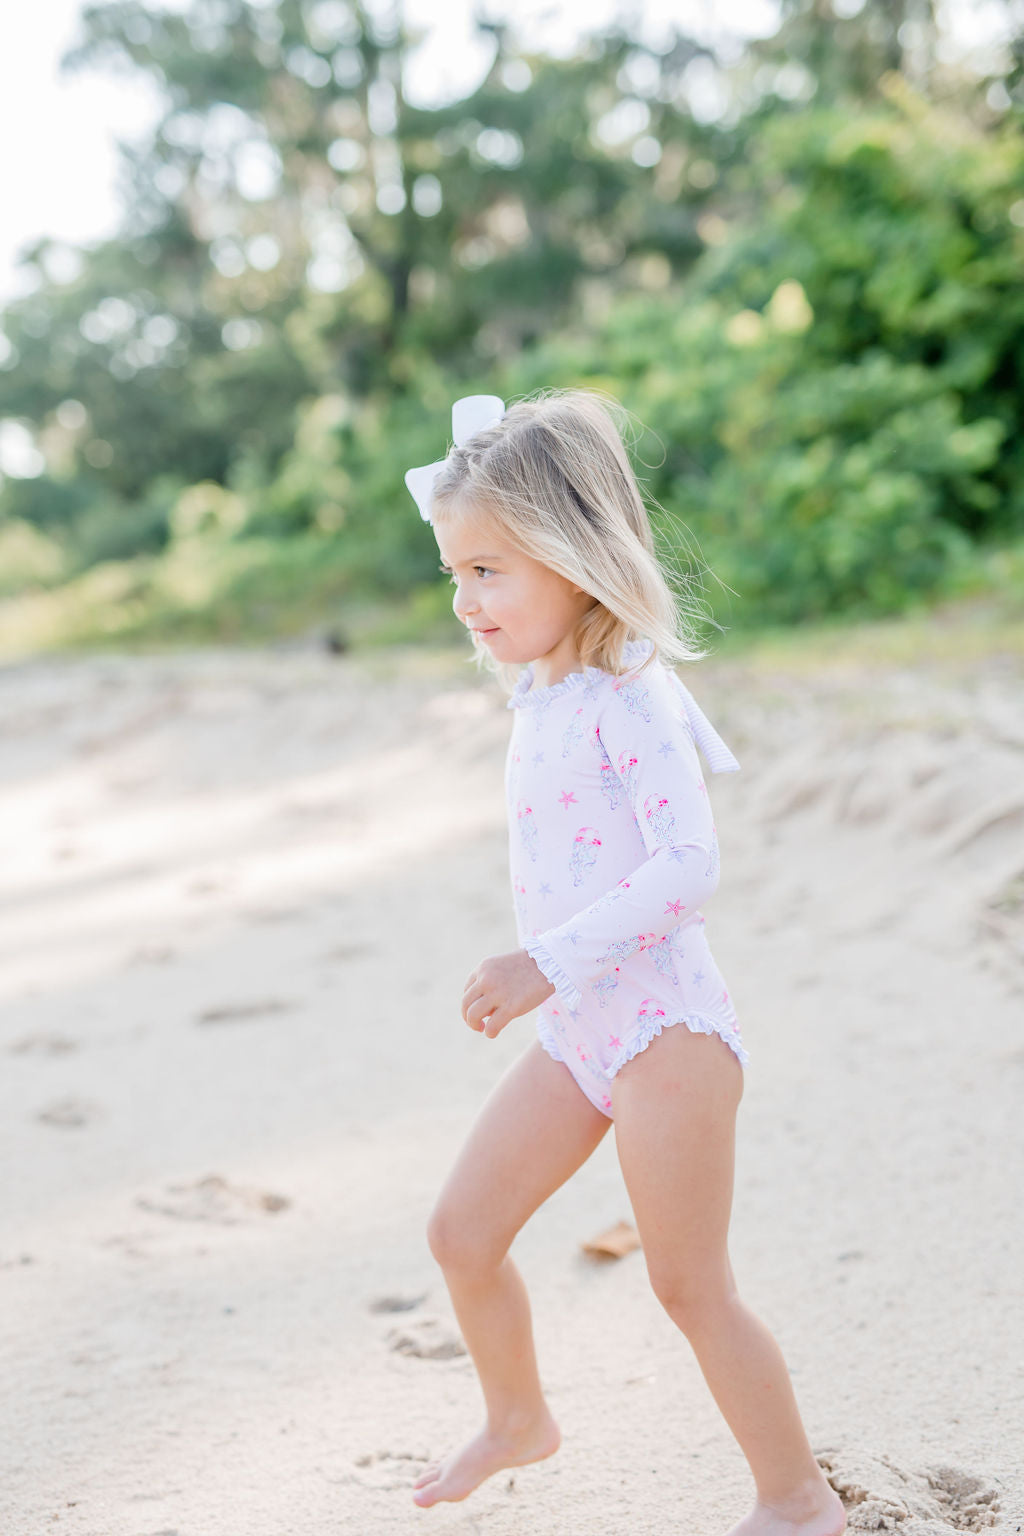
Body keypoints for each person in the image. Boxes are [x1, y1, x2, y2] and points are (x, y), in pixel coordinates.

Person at [402, 390, 846, 1536]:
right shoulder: (538, 690)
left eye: (491, 571)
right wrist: (555, 985)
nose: (466, 601)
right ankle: (517, 1419)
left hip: (666, 1035)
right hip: (582, 1033)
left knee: (689, 1285)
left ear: (573, 554)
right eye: (455, 573)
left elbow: (690, 866)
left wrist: (542, 961)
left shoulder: (629, 693)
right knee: (460, 1233)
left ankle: (797, 1498)